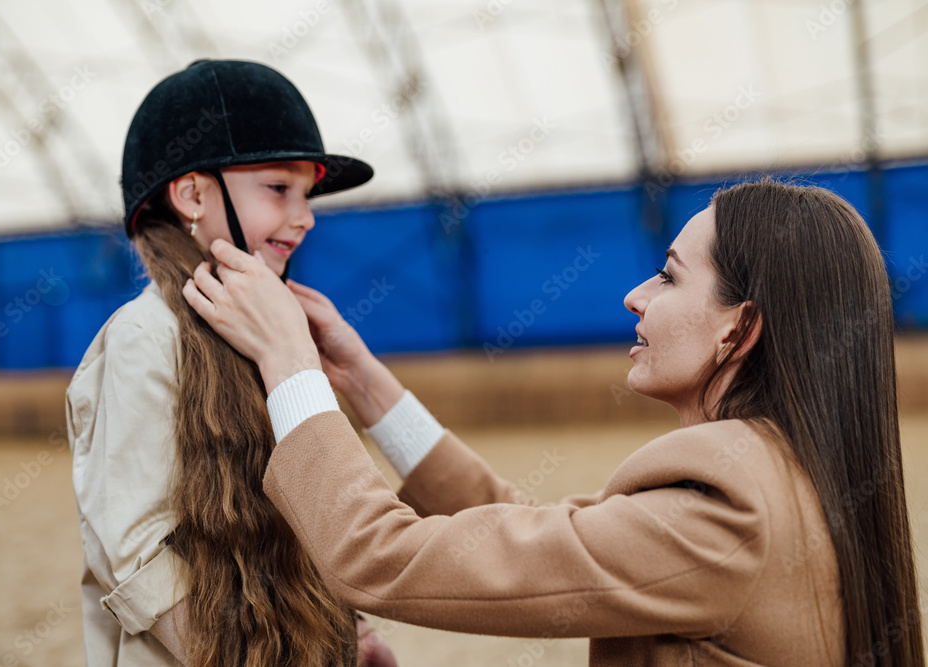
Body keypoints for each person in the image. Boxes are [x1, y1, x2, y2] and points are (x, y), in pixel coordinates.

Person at [183, 179, 926, 666]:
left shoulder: (727, 507)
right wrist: (364, 384)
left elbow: (377, 555)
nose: (636, 295)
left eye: (668, 274)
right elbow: (541, 534)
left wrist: (289, 363)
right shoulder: (790, 472)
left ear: (741, 328)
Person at [66, 59, 396, 666]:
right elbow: (137, 555)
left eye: (307, 193)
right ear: (192, 194)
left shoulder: (267, 331)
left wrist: (346, 633)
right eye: (279, 188)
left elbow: (303, 513)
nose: (305, 215)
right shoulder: (146, 335)